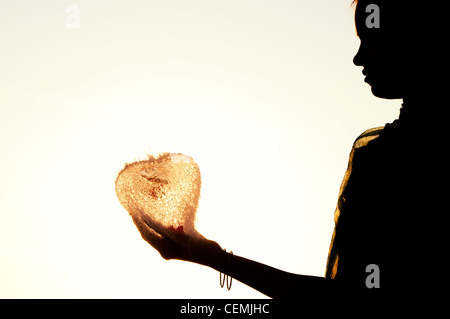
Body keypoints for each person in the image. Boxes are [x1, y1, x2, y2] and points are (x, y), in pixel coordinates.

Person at [130, 0, 446, 300]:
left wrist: (210, 257)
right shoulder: (384, 153)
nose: (359, 57)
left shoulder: (384, 160)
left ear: (415, 39)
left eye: (372, 39)